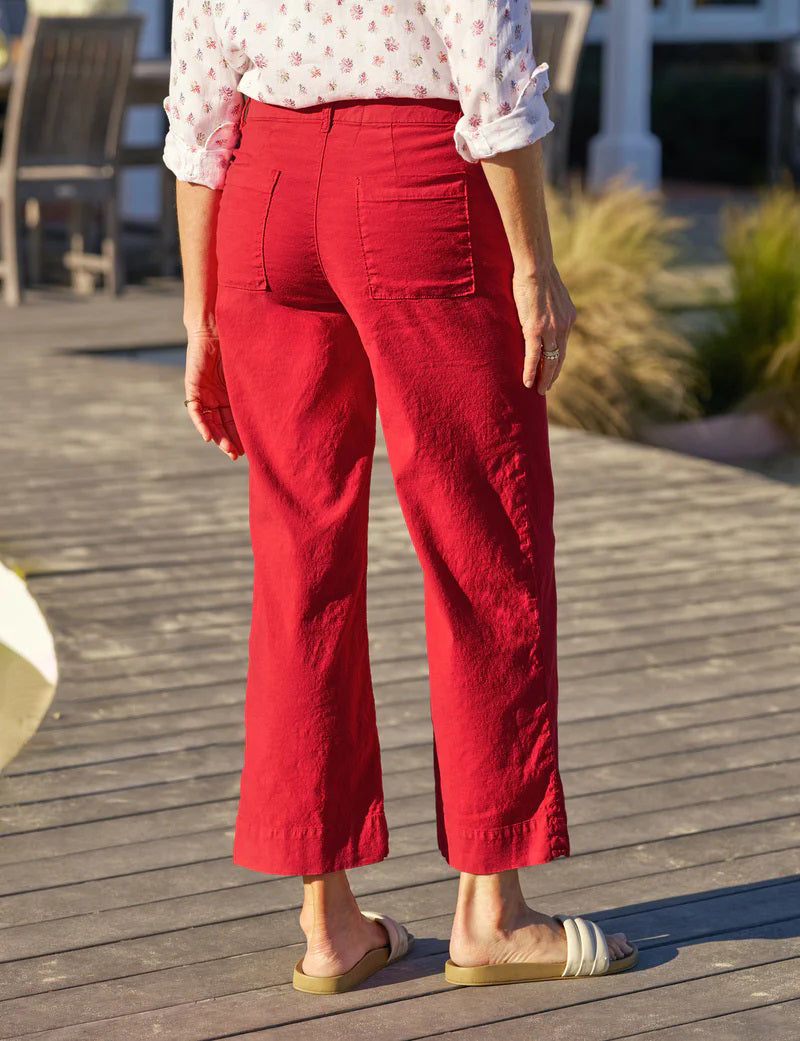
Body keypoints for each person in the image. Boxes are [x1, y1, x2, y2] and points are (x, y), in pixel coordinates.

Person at [162, 0, 637, 994]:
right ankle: (491, 915)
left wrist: (198, 313)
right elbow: (490, 68)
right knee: (481, 541)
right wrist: (535, 265)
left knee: (298, 561)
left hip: (262, 196)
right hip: (415, 184)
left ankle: (328, 925)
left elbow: (198, 104)